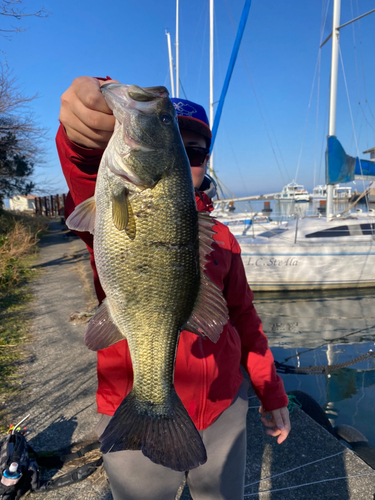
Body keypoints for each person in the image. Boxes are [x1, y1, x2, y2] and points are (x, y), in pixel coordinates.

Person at [57, 76, 291, 500]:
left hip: (223, 410)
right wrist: (82, 140)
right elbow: (83, 171)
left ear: (201, 162)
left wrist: (271, 393)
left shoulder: (222, 239)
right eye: (175, 140)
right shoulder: (113, 200)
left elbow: (243, 320)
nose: (185, 154)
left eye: (194, 151)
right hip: (127, 404)